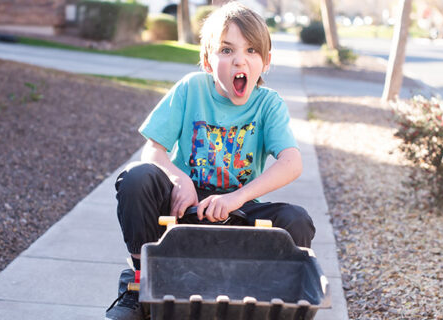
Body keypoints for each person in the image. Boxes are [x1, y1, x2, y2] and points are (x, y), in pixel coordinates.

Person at [105, 2, 315, 319]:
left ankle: (272, 301)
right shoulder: (191, 89)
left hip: (236, 212)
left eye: (252, 51)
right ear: (207, 60)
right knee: (137, 177)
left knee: (296, 221)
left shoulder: (268, 105)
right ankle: (140, 281)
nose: (239, 60)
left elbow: (292, 163)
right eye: (226, 50)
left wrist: (235, 198)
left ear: (266, 62)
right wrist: (179, 179)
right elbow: (153, 150)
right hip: (181, 207)